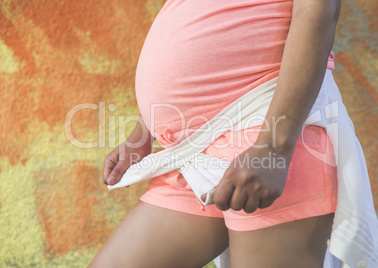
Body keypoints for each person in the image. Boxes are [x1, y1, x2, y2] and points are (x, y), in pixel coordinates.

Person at [90, 0, 343, 267]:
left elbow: (317, 10)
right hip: (190, 154)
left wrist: (273, 147)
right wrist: (143, 132)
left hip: (263, 132)